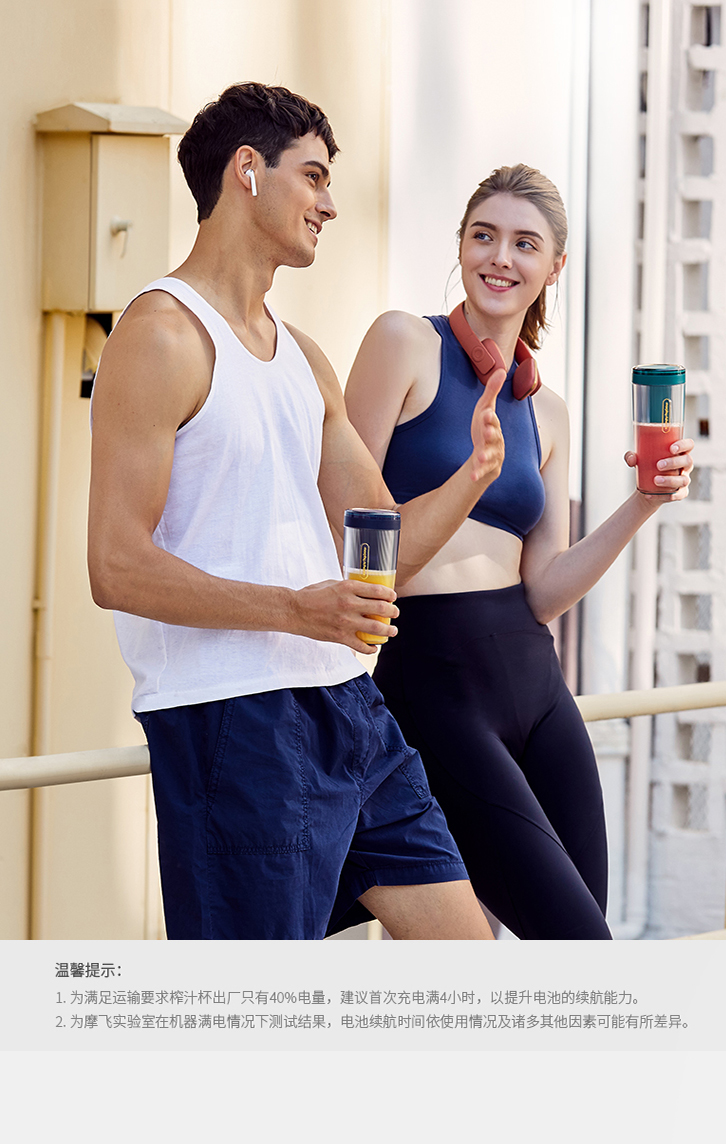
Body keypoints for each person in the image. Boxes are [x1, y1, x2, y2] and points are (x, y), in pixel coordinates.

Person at [86, 82, 508, 941]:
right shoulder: (161, 336)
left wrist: (475, 473)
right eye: (313, 177)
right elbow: (115, 566)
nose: (330, 204)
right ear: (247, 170)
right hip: (233, 721)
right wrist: (294, 609)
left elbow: (382, 551)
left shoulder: (303, 359)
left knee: (467, 953)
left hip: (349, 705)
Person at [344, 164, 694, 940]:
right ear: (461, 246)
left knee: (582, 937)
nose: (500, 257)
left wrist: (643, 501)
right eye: (484, 236)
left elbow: (543, 588)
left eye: (524, 244)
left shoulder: (547, 411)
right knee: (578, 945)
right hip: (435, 676)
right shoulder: (403, 342)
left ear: (554, 267)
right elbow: (352, 531)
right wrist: (468, 478)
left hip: (537, 682)